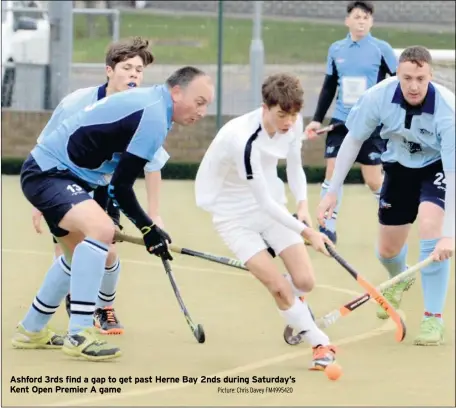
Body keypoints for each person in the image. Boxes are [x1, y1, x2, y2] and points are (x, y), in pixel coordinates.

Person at [13, 66, 214, 361]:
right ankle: (80, 333)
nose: (203, 112)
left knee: (73, 258)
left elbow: (115, 184)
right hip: (50, 174)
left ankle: (31, 329)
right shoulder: (155, 115)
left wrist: (149, 229)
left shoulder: (155, 106)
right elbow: (120, 188)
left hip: (61, 176)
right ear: (177, 92)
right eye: (199, 102)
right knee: (102, 231)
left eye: (207, 105)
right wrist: (149, 228)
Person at [195, 73, 338, 370]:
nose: (288, 122)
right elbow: (262, 202)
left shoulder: (293, 122)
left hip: (273, 203)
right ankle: (320, 343)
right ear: (265, 107)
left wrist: (302, 205)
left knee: (305, 281)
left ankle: (294, 310)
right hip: (232, 214)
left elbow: (295, 168)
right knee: (278, 287)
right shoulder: (242, 140)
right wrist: (308, 232)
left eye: (293, 114)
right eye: (281, 114)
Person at [317, 46, 454, 346]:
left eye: (420, 78)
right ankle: (400, 276)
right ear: (398, 75)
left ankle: (433, 319)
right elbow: (353, 141)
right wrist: (332, 192)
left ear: (431, 75)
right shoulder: (377, 97)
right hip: (398, 167)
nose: (414, 85)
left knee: (432, 226)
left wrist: (449, 233)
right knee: (388, 251)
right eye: (407, 78)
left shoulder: (447, 109)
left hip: (437, 169)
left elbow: (454, 172)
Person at [31, 36, 167, 335]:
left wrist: (154, 215)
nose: (134, 74)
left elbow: (153, 165)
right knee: (68, 254)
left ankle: (104, 307)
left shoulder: (145, 109)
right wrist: (39, 201)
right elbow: (44, 145)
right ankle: (65, 317)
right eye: (127, 67)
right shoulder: (77, 102)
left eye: (139, 70)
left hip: (106, 186)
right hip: (63, 179)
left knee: (106, 251)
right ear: (109, 70)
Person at [305, 1, 397, 244]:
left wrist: (388, 114)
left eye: (366, 17)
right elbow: (328, 87)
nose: (362, 21)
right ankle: (327, 228)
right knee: (333, 171)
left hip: (371, 123)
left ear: (372, 22)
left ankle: (395, 217)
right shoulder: (336, 49)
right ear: (348, 21)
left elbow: (397, 83)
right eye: (357, 17)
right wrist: (316, 120)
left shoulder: (382, 49)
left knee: (374, 180)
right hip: (341, 122)